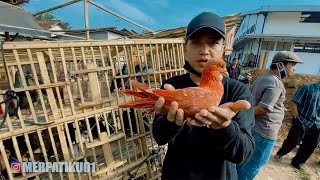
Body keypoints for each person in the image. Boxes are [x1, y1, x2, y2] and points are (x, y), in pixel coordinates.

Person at [152, 12, 255, 180]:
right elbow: (159, 137)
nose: (204, 51)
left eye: (213, 43)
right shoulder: (172, 86)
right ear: (185, 49)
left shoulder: (239, 92)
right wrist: (170, 122)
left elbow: (244, 153)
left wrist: (225, 127)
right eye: (196, 42)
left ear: (223, 49)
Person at [237, 51, 303, 179]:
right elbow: (263, 108)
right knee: (255, 163)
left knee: (245, 161)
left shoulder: (263, 78)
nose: (295, 68)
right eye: (292, 64)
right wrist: (243, 115)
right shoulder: (276, 83)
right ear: (280, 66)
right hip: (264, 132)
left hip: (255, 128)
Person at [274, 82, 319, 169]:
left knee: (311, 145)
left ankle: (298, 162)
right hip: (302, 120)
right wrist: (297, 118)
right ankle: (281, 153)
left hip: (317, 124)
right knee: (292, 141)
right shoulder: (306, 87)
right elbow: (293, 103)